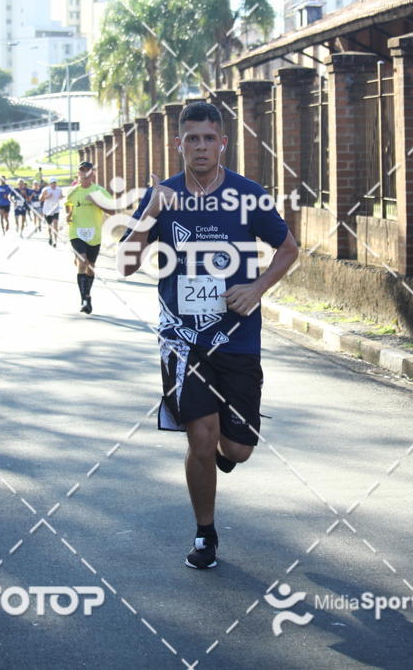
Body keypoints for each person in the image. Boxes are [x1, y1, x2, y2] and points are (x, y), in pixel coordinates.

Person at [118, 102, 298, 570]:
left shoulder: (248, 194)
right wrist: (149, 212)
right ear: (178, 144)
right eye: (192, 139)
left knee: (237, 448)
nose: (200, 147)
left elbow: (287, 248)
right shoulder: (162, 195)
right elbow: (126, 264)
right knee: (200, 438)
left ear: (223, 143)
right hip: (182, 341)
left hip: (237, 337)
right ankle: (205, 534)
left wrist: (257, 288)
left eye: (209, 138)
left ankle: (226, 447)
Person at [64, 161, 113, 314]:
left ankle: (87, 295)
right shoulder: (73, 191)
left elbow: (113, 211)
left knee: (90, 267)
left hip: (94, 235)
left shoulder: (99, 191)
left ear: (93, 174)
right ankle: (84, 299)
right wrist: (69, 214)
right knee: (82, 262)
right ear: (78, 174)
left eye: (87, 171)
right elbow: (68, 204)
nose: (84, 173)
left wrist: (97, 202)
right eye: (82, 171)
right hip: (76, 232)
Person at [40, 176, 64, 246]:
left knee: (55, 225)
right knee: (49, 226)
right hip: (47, 211)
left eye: (55, 183)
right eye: (52, 183)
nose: (53, 184)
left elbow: (61, 196)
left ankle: (55, 241)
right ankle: (50, 236)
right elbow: (40, 199)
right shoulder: (45, 190)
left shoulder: (59, 189)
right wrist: (46, 196)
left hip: (56, 210)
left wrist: (61, 197)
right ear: (49, 184)